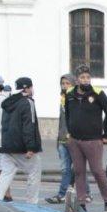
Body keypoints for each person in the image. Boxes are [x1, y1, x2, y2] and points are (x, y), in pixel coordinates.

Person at [64, 65, 107, 212]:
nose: (85, 80)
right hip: (75, 140)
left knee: (97, 171)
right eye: (82, 78)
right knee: (79, 171)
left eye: (87, 77)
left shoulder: (97, 93)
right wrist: (69, 131)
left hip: (93, 140)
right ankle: (81, 203)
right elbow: (67, 113)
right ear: (77, 79)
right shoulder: (70, 93)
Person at [0, 77, 43, 204]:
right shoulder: (27, 102)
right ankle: (32, 202)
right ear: (27, 88)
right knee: (34, 170)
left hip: (7, 145)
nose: (32, 90)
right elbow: (29, 125)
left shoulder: (9, 102)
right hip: (21, 146)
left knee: (6, 173)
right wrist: (31, 147)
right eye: (31, 87)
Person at [46, 74, 87, 204]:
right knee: (65, 169)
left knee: (78, 168)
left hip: (74, 139)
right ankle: (62, 194)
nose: (64, 86)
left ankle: (86, 192)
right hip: (63, 139)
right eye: (63, 83)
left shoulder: (77, 99)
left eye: (67, 83)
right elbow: (62, 121)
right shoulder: (63, 98)